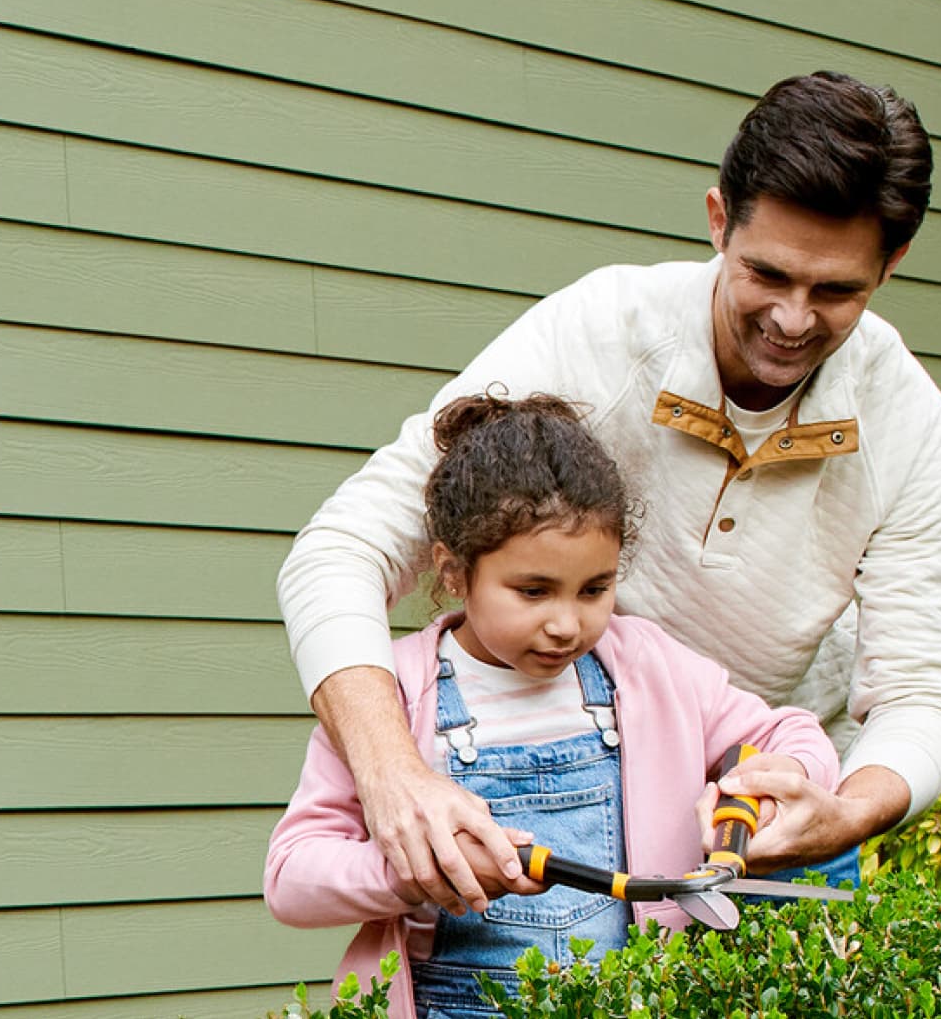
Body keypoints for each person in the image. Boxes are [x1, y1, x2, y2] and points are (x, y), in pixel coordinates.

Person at [278, 71, 941, 917]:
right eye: (767, 274)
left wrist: (849, 808)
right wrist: (394, 779)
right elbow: (343, 549)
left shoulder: (912, 427)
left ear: (891, 263)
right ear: (719, 220)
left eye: (836, 291)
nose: (793, 320)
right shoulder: (597, 333)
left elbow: (920, 693)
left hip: (762, 819)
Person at [263, 392, 838, 1019]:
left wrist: (771, 791)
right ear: (453, 572)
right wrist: (415, 872)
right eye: (533, 592)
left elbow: (789, 735)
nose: (567, 624)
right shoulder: (396, 691)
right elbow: (292, 879)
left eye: (595, 589)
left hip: (635, 998)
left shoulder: (644, 664)